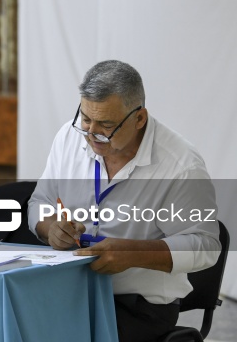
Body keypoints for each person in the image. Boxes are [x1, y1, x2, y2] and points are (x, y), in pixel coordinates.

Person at [27, 60, 221, 342]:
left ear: (139, 118)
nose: (92, 134)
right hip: (67, 290)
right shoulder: (69, 137)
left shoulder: (181, 165)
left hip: (138, 305)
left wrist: (133, 254)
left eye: (106, 125)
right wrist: (51, 228)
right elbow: (39, 202)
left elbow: (205, 245)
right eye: (85, 119)